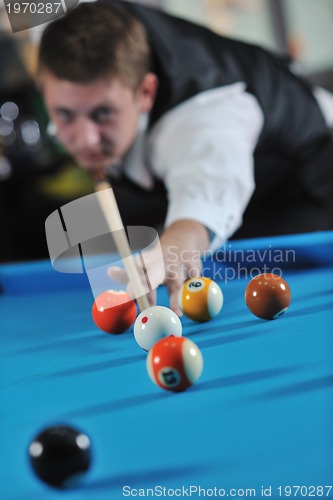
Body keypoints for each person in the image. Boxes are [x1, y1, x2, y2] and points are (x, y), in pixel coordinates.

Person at [37, 0, 333, 314]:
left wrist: (174, 247)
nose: (85, 140)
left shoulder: (201, 117)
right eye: (65, 114)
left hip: (312, 178)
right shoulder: (63, 36)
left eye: (104, 113)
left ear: (146, 93)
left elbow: (205, 191)